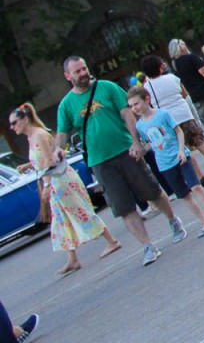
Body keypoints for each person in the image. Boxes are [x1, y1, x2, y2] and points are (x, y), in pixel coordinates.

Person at [56, 56, 185, 267]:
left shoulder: (107, 87)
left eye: (84, 68)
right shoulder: (66, 105)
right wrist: (58, 150)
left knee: (152, 191)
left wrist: (136, 142)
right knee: (124, 207)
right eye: (77, 71)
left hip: (126, 151)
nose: (83, 73)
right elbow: (62, 132)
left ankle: (173, 220)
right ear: (67, 76)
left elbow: (127, 114)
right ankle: (148, 245)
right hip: (100, 161)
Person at [10, 104, 120, 274]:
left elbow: (50, 162)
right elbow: (42, 159)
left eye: (14, 122)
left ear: (25, 120)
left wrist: (47, 186)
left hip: (60, 180)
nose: (12, 127)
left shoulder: (39, 135)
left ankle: (111, 240)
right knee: (60, 220)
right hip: (55, 181)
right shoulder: (32, 137)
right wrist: (28, 166)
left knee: (80, 211)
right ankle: (72, 258)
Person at [127, 86, 204, 239]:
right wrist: (139, 149)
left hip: (180, 157)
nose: (135, 108)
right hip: (164, 164)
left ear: (147, 99)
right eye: (131, 106)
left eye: (136, 103)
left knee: (196, 186)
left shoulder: (163, 114)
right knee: (184, 195)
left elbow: (178, 131)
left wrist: (181, 150)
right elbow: (150, 143)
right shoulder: (139, 126)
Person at [139, 55, 204, 183]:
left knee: (183, 148)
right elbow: (184, 93)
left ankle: (200, 176)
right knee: (199, 141)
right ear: (160, 67)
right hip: (184, 113)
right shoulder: (172, 78)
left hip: (168, 121)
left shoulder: (146, 88)